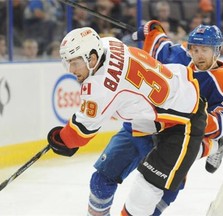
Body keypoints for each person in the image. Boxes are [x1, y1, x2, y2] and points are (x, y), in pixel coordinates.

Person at [47, 26, 207, 215]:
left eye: (74, 63)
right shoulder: (108, 43)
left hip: (183, 122)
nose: (71, 70)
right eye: (67, 63)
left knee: (146, 198)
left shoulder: (100, 88)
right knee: (101, 181)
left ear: (91, 58)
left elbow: (79, 135)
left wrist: (59, 139)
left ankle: (211, 144)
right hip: (145, 121)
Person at [88, 21, 223, 216]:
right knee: (100, 181)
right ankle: (215, 146)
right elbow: (158, 39)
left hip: (174, 141)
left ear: (217, 51)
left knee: (159, 199)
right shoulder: (177, 56)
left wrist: (194, 121)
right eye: (195, 49)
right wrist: (150, 29)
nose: (199, 54)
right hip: (140, 127)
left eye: (205, 50)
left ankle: (214, 145)